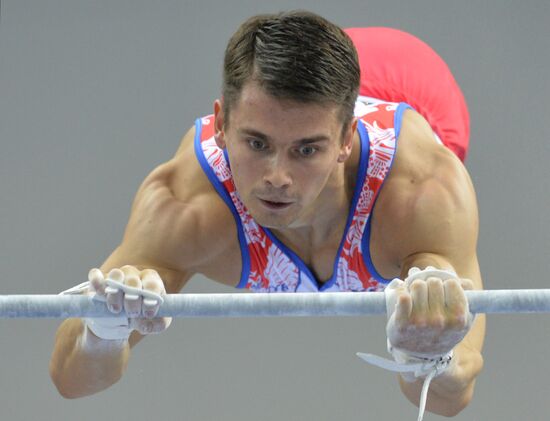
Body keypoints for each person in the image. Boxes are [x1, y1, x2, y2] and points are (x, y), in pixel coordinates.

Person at [49, 10, 485, 417]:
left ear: (347, 139)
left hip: (410, 82)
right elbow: (70, 380)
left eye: (306, 150)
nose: (277, 177)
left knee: (436, 295)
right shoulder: (187, 206)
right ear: (220, 125)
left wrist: (429, 355)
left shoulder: (421, 191)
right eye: (256, 144)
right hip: (317, 103)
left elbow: (452, 400)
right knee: (293, 101)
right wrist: (103, 331)